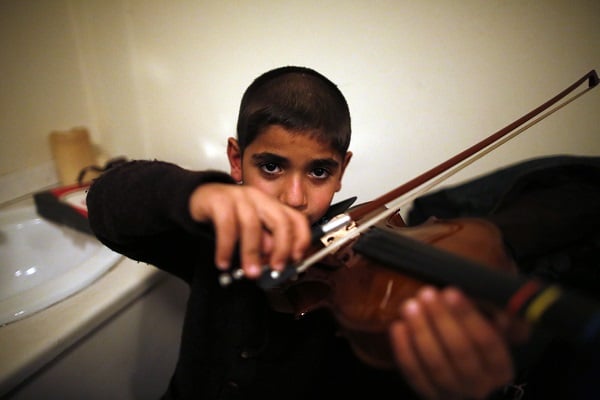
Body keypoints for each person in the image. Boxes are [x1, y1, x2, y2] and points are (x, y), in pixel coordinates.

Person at [86, 66, 599, 399]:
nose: (294, 198)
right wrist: (200, 194)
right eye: (270, 167)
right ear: (236, 160)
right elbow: (109, 202)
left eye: (318, 172)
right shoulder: (209, 240)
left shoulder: (366, 288)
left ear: (343, 169)